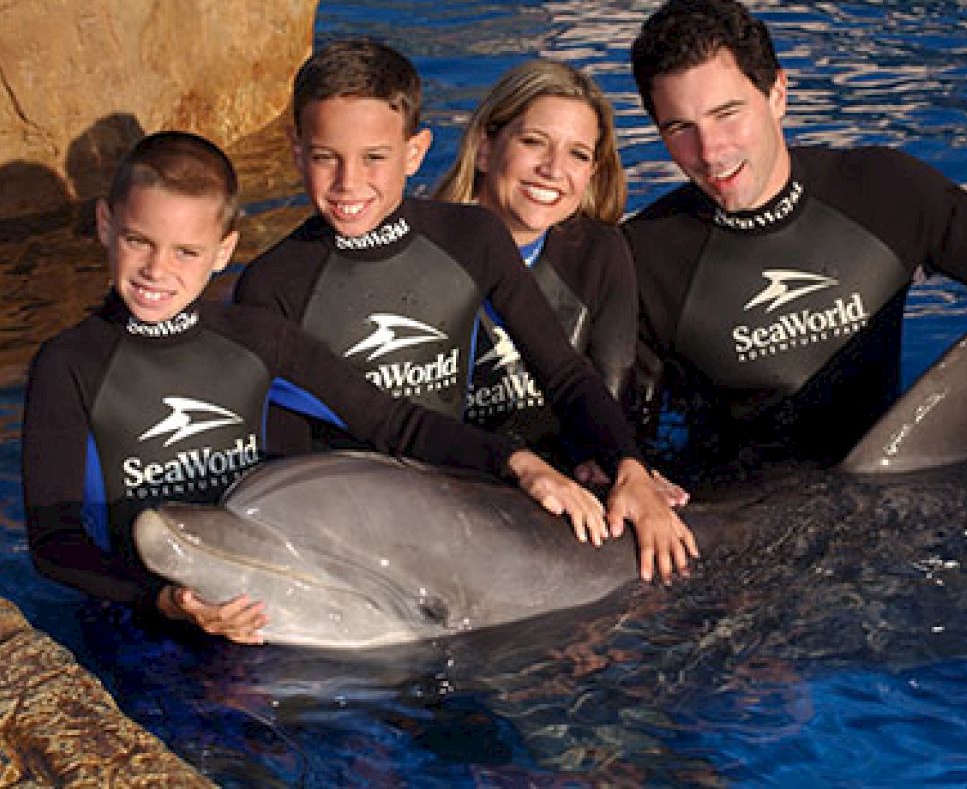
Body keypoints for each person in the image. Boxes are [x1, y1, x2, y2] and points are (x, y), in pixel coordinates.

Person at [21, 131, 619, 646]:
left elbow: (392, 422)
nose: (158, 270)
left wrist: (520, 464)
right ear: (105, 225)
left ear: (224, 250)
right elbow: (54, 543)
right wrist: (166, 603)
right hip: (138, 619)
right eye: (138, 241)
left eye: (186, 251)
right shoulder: (70, 364)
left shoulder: (257, 339)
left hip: (263, 605)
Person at [622, 0, 967, 488]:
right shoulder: (645, 257)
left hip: (905, 473)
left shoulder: (883, 192)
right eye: (679, 128)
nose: (710, 151)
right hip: (748, 516)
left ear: (778, 93)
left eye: (727, 113)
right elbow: (622, 431)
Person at [234, 39, 696, 579]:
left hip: (462, 508)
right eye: (324, 157)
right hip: (351, 527)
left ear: (415, 152)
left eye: (374, 158)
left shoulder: (470, 237)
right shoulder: (272, 284)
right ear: (296, 149)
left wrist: (630, 470)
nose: (348, 183)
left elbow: (567, 375)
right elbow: (287, 455)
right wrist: (520, 464)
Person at [433, 59, 686, 504]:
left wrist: (624, 469)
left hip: (561, 493)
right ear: (485, 147)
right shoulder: (419, 251)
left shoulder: (599, 255)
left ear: (591, 172)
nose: (553, 170)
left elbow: (618, 411)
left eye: (578, 154)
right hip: (451, 485)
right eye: (534, 142)